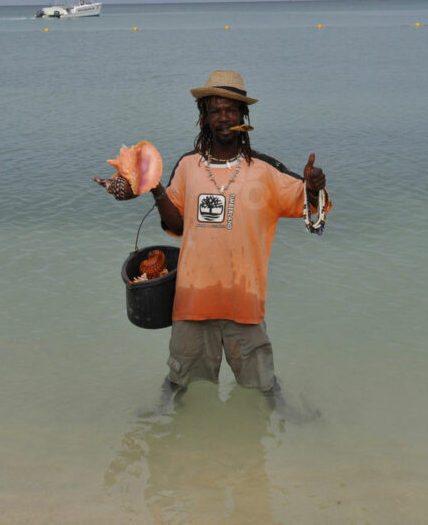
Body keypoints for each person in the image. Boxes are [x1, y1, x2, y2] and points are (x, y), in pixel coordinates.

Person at [142, 70, 331, 405]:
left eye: (231, 109)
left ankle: (279, 423)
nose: (223, 117)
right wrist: (153, 185)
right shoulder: (188, 166)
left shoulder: (266, 171)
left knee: (262, 390)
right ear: (204, 118)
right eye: (215, 110)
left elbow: (310, 207)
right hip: (192, 302)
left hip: (244, 303)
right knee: (181, 389)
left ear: (244, 117)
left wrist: (314, 188)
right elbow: (178, 224)